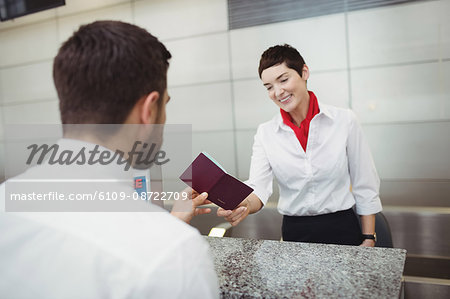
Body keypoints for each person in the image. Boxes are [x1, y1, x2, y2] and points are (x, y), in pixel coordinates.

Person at [0, 21, 219, 298]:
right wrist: (168, 234)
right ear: (149, 110)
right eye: (165, 104)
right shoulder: (176, 256)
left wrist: (170, 224)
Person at [218, 44, 382, 247]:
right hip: (295, 232)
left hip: (342, 227)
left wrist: (368, 237)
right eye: (269, 87)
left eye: (284, 80)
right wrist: (241, 204)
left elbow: (364, 183)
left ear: (304, 72)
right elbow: (258, 188)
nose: (278, 92)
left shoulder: (344, 121)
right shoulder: (266, 133)